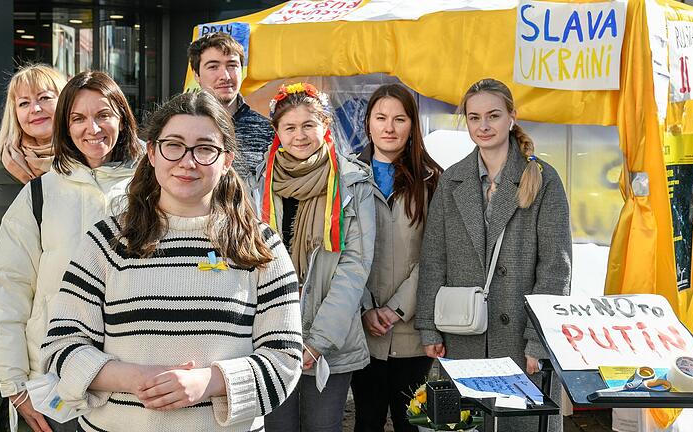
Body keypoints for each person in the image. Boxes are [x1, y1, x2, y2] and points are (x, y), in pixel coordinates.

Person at [39, 91, 302, 432]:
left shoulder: (259, 247)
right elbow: (61, 345)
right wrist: (136, 379)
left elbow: (284, 360)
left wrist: (209, 382)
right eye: (173, 145)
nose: (188, 161)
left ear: (226, 161)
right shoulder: (105, 242)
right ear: (151, 152)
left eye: (205, 149)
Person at [0, 71, 142, 432]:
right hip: (57, 384)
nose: (93, 128)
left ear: (122, 116)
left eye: (103, 114)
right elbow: (5, 291)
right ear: (65, 126)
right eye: (78, 118)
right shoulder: (39, 195)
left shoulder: (155, 186)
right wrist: (15, 386)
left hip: (137, 383)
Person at [415, 78, 571, 432]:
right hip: (461, 335)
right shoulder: (453, 179)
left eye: (493, 115)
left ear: (512, 117)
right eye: (474, 118)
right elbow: (434, 257)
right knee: (469, 424)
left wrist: (539, 340)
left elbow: (555, 269)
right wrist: (428, 327)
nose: (483, 126)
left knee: (520, 424)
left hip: (520, 338)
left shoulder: (544, 179)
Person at [252, 82, 375, 432]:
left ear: (325, 126)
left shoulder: (353, 183)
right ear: (277, 132)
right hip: (270, 335)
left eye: (308, 125)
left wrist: (319, 340)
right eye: (289, 127)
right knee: (277, 427)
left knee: (324, 425)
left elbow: (355, 267)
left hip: (331, 337)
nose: (300, 135)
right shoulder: (259, 181)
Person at [0, 64, 65, 432]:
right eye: (24, 103)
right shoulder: (0, 167)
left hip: (51, 324)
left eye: (44, 98)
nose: (34, 109)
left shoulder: (84, 171)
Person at [350, 83, 442, 432]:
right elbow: (339, 253)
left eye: (399, 119)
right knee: (367, 418)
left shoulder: (433, 181)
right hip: (360, 326)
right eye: (381, 118)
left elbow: (436, 255)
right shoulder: (345, 179)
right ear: (368, 123)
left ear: (412, 125)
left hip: (412, 330)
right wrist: (364, 308)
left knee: (411, 422)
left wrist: (396, 308)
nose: (389, 128)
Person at [187, 32, 274, 180]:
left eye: (232, 65)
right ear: (197, 75)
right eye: (213, 67)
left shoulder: (268, 131)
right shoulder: (180, 125)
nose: (225, 76)